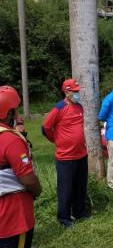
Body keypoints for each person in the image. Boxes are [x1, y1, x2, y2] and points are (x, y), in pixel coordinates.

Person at [42, 79, 90, 228]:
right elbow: (45, 128)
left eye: (77, 91)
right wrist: (56, 140)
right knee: (65, 189)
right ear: (66, 91)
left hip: (81, 154)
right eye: (74, 91)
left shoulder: (80, 107)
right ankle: (63, 217)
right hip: (65, 158)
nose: (77, 94)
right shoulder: (59, 108)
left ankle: (79, 212)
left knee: (80, 186)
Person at [0, 86, 42, 248]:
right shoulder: (11, 141)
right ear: (8, 113)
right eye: (15, 111)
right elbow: (28, 180)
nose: (18, 115)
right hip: (13, 217)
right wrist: (38, 191)